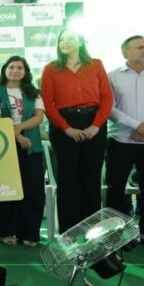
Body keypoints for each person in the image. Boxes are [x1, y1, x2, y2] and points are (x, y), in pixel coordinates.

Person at [41, 29, 113, 233]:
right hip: (64, 124)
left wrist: (95, 126)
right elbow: (48, 102)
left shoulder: (96, 64)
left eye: (70, 38)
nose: (64, 42)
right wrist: (66, 128)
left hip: (94, 122)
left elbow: (107, 98)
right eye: (61, 39)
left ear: (81, 42)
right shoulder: (51, 69)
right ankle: (69, 232)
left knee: (91, 177)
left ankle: (93, 231)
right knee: (67, 178)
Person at [0, 56, 46, 247]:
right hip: (5, 147)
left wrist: (18, 128)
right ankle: (6, 232)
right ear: (5, 70)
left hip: (32, 147)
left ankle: (29, 233)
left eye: (20, 67)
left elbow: (38, 118)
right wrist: (17, 136)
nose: (15, 71)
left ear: (26, 72)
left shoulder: (34, 92)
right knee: (7, 190)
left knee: (33, 190)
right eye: (11, 67)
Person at [107, 36, 144, 235]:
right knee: (115, 188)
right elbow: (109, 109)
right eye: (140, 47)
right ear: (125, 53)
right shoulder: (112, 76)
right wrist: (137, 126)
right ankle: (114, 234)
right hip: (120, 140)